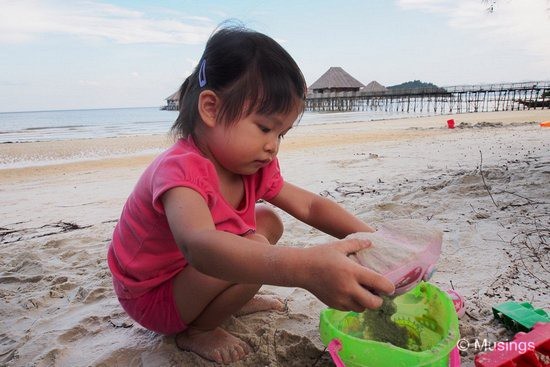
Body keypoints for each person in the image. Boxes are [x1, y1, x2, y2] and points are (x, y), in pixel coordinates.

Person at [107, 25, 394, 365]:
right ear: (211, 109)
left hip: (186, 274)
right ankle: (198, 330)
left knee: (267, 222)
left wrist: (374, 240)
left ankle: (228, 298)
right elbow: (198, 245)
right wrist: (304, 269)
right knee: (256, 246)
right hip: (153, 296)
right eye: (264, 128)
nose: (272, 145)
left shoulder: (252, 166)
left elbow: (310, 205)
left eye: (281, 134)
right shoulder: (180, 170)